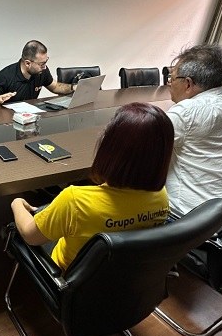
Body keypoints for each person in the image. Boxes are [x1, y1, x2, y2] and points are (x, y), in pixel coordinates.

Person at [10, 102, 173, 271]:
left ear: (110, 150)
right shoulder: (161, 197)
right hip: (127, 276)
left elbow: (30, 235)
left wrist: (17, 203)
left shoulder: (75, 201)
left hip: (68, 278)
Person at [165, 44, 222, 221]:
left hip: (189, 219)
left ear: (188, 84)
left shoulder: (186, 112)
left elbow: (137, 149)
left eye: (171, 78)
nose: (168, 83)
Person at [0, 40, 75, 105]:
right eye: (41, 64)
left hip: (31, 116)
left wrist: (73, 87)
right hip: (8, 120)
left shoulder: (42, 71)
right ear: (27, 63)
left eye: (46, 61)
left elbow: (55, 87)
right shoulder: (5, 76)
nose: (44, 67)